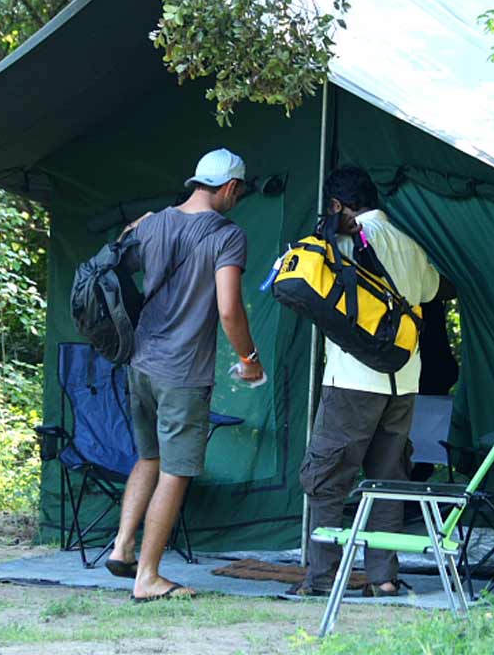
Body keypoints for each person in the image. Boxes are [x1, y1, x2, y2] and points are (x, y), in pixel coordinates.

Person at [106, 148, 264, 602]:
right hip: (182, 371)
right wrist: (249, 358)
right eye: (240, 192)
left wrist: (138, 226)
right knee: (175, 471)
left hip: (140, 362)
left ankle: (122, 547)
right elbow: (229, 308)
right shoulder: (228, 235)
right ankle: (149, 577)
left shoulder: (152, 223)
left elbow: (120, 257)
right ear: (231, 188)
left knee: (148, 457)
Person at [296, 165, 443, 597]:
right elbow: (431, 291)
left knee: (326, 477)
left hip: (353, 380)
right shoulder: (411, 246)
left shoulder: (338, 245)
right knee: (387, 479)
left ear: (339, 206)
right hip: (403, 380)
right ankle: (383, 578)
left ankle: (322, 580)